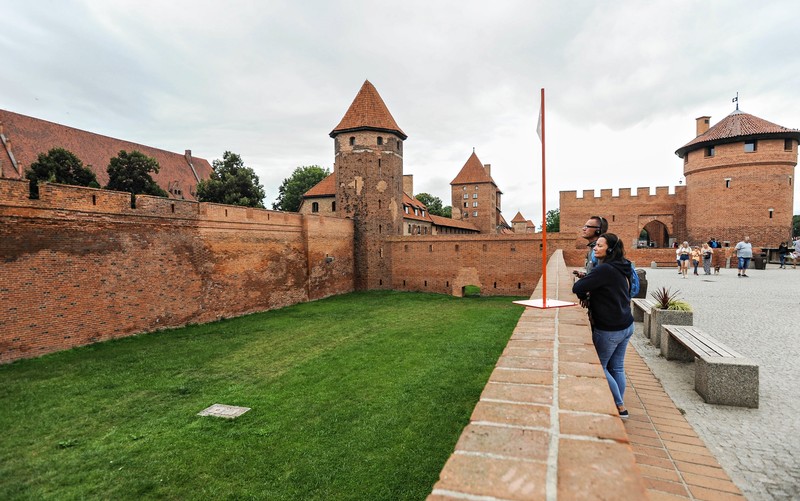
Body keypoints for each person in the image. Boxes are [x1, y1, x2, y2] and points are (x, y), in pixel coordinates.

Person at [572, 233, 634, 420]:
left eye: (599, 245)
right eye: (595, 245)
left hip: (610, 328)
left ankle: (620, 406)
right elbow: (608, 285)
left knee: (599, 366)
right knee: (617, 368)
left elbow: (577, 288)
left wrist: (586, 290)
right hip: (626, 325)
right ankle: (618, 403)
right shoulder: (622, 265)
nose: (595, 248)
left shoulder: (605, 269)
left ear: (610, 249)